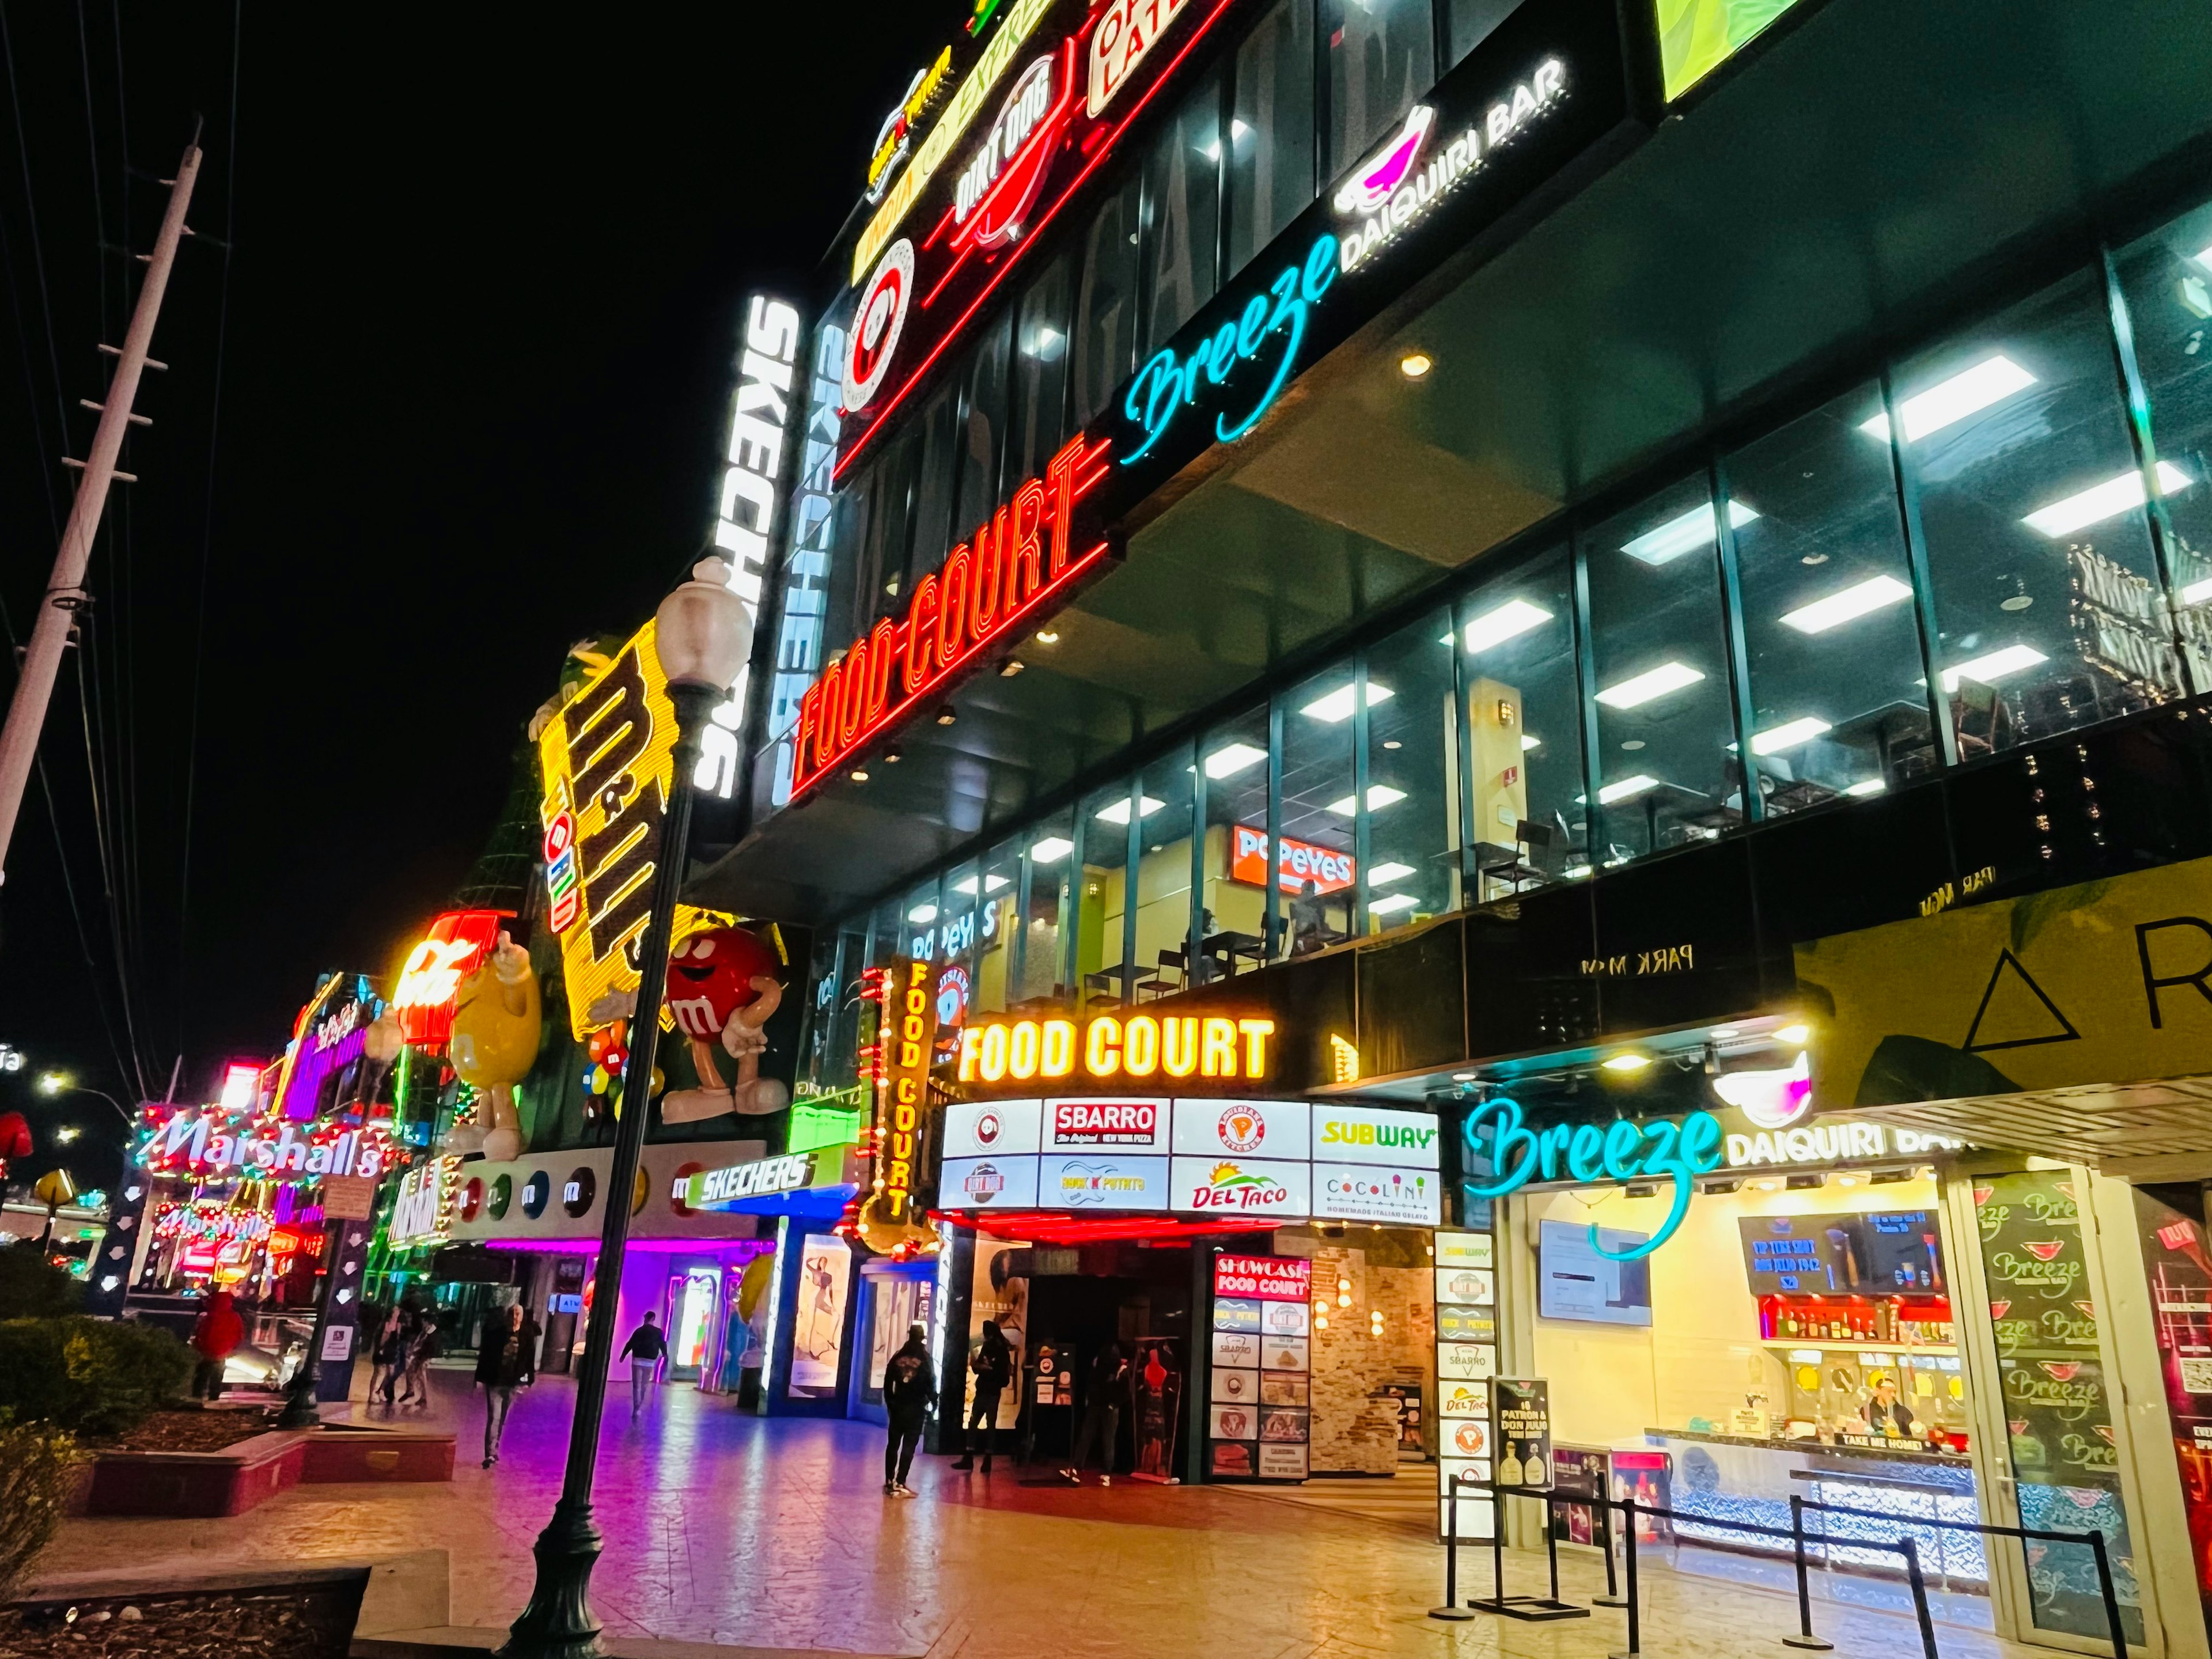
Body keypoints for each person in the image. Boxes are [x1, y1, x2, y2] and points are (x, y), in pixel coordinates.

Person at [474, 1302, 539, 1467]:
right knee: (494, 1417)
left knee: (502, 1418)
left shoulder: (526, 1333)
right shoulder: (497, 1333)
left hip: (512, 1382)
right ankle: (491, 1453)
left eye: (518, 1314)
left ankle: (495, 1448)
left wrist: (529, 1379)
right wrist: (479, 1378)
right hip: (496, 1380)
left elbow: (529, 1357)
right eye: (513, 1314)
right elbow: (486, 1355)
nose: (516, 1318)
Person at [1062, 1339, 1129, 1485]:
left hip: (1109, 1407)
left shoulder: (1121, 1368)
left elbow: (1124, 1392)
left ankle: (1107, 1472)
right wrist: (1090, 1398)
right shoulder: (1098, 1363)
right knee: (1087, 1436)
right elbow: (1092, 1381)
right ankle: (1077, 1466)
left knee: (1108, 1440)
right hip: (1095, 1404)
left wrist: (1113, 1404)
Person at [882, 1321, 936, 1497]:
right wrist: (933, 1403)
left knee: (893, 1444)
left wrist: (891, 1403)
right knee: (909, 1446)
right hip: (916, 1408)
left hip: (898, 1407)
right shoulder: (925, 1359)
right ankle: (901, 1481)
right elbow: (930, 1383)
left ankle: (889, 1481)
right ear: (921, 1339)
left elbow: (888, 1382)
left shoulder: (898, 1357)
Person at [953, 1320, 1013, 1473]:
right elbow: (983, 1369)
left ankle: (974, 1458)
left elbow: (986, 1370)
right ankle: (982, 1459)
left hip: (989, 1392)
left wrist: (985, 1369)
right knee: (984, 1426)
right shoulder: (998, 1349)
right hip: (988, 1392)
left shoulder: (997, 1350)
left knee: (979, 1425)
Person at [188, 1289, 243, 1400]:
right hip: (223, 1352)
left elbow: (202, 1333)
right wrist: (232, 1349)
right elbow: (239, 1334)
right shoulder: (234, 1317)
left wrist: (198, 1347)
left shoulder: (209, 1317)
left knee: (202, 1374)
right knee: (217, 1376)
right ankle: (214, 1395)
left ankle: (197, 1395)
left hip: (207, 1352)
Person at [619, 1311, 667, 1419]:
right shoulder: (658, 1332)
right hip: (650, 1361)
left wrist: (623, 1356)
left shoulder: (639, 1331)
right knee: (644, 1385)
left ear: (646, 1318)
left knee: (637, 1386)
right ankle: (638, 1407)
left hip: (637, 1360)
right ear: (654, 1319)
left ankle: (636, 1409)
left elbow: (630, 1344)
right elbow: (663, 1345)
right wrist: (665, 1355)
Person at [397, 1307, 442, 1408]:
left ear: (427, 1322)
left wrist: (416, 1352)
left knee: (421, 1376)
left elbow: (430, 1347)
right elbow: (419, 1342)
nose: (422, 1324)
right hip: (422, 1355)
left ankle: (423, 1398)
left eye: (423, 1322)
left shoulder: (432, 1333)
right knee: (411, 1372)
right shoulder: (426, 1331)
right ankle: (412, 1392)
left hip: (426, 1357)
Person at [1862, 1373, 1918, 1438]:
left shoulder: (1904, 1413)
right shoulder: (1867, 1411)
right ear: (1877, 1391)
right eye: (1889, 1391)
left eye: (1894, 1392)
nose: (1893, 1395)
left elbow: (1910, 1435)